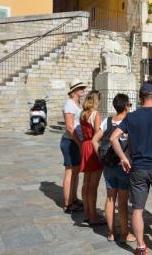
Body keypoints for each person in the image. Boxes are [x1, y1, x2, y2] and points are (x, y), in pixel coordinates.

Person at [109, 83, 152, 255]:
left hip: (138, 168)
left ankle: (141, 248)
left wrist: (124, 158)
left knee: (138, 209)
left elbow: (113, 138)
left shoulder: (131, 117)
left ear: (140, 97)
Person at [91, 93, 135, 243]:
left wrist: (100, 156)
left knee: (110, 198)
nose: (130, 107)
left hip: (109, 165)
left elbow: (94, 140)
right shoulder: (130, 122)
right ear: (125, 107)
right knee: (122, 202)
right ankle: (125, 233)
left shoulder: (107, 121)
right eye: (129, 104)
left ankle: (110, 233)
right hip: (124, 166)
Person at [60, 78, 86, 214]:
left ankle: (73, 198)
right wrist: (80, 142)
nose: (83, 89)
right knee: (70, 172)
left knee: (76, 172)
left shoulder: (77, 103)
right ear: (74, 90)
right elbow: (70, 127)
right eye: (80, 87)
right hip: (70, 141)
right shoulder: (69, 104)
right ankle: (67, 204)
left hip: (75, 141)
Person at [79, 91, 104, 225]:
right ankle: (93, 216)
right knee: (93, 185)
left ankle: (87, 212)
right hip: (93, 147)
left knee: (86, 183)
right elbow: (97, 135)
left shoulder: (82, 114)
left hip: (85, 146)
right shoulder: (95, 114)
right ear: (96, 100)